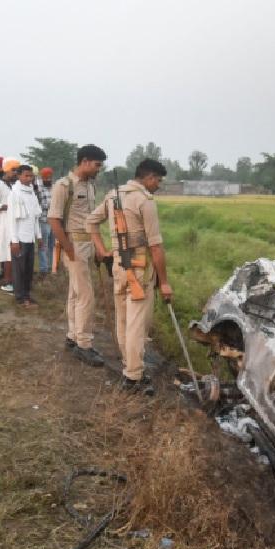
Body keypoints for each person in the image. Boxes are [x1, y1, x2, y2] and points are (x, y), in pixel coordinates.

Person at [85, 159, 172, 394]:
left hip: (119, 267)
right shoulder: (145, 201)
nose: (158, 185)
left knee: (123, 319)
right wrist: (164, 282)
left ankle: (128, 365)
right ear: (149, 177)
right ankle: (133, 376)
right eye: (158, 180)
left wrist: (103, 251)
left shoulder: (113, 195)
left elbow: (90, 222)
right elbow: (156, 247)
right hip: (139, 267)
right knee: (136, 324)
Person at [49, 144, 107, 367]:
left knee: (76, 294)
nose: (98, 169)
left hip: (87, 244)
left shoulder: (90, 186)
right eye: (96, 165)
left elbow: (92, 221)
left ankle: (73, 336)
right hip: (74, 244)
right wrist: (69, 249)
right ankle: (84, 344)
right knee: (86, 296)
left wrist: (98, 248)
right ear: (84, 161)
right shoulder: (64, 186)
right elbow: (54, 220)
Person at [7, 165, 42, 307]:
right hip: (19, 238)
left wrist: (38, 236)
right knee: (19, 270)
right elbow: (11, 219)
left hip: (30, 238)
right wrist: (14, 241)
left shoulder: (32, 193)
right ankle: (20, 298)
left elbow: (35, 218)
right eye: (26, 175)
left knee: (28, 269)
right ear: (19, 176)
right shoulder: (14, 194)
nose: (29, 178)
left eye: (31, 176)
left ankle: (27, 294)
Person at [0, 158, 19, 293]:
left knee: (14, 253)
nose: (15, 174)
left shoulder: (13, 185)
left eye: (17, 171)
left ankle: (15, 280)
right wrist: (8, 206)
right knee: (7, 254)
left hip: (14, 223)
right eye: (14, 171)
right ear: (6, 170)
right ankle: (8, 282)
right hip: (4, 223)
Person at [35, 166, 54, 274]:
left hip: (53, 221)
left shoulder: (54, 186)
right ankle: (44, 269)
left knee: (52, 246)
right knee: (43, 246)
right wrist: (52, 206)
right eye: (45, 178)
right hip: (43, 220)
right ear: (42, 177)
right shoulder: (38, 187)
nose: (47, 179)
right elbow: (38, 205)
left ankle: (52, 267)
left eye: (49, 177)